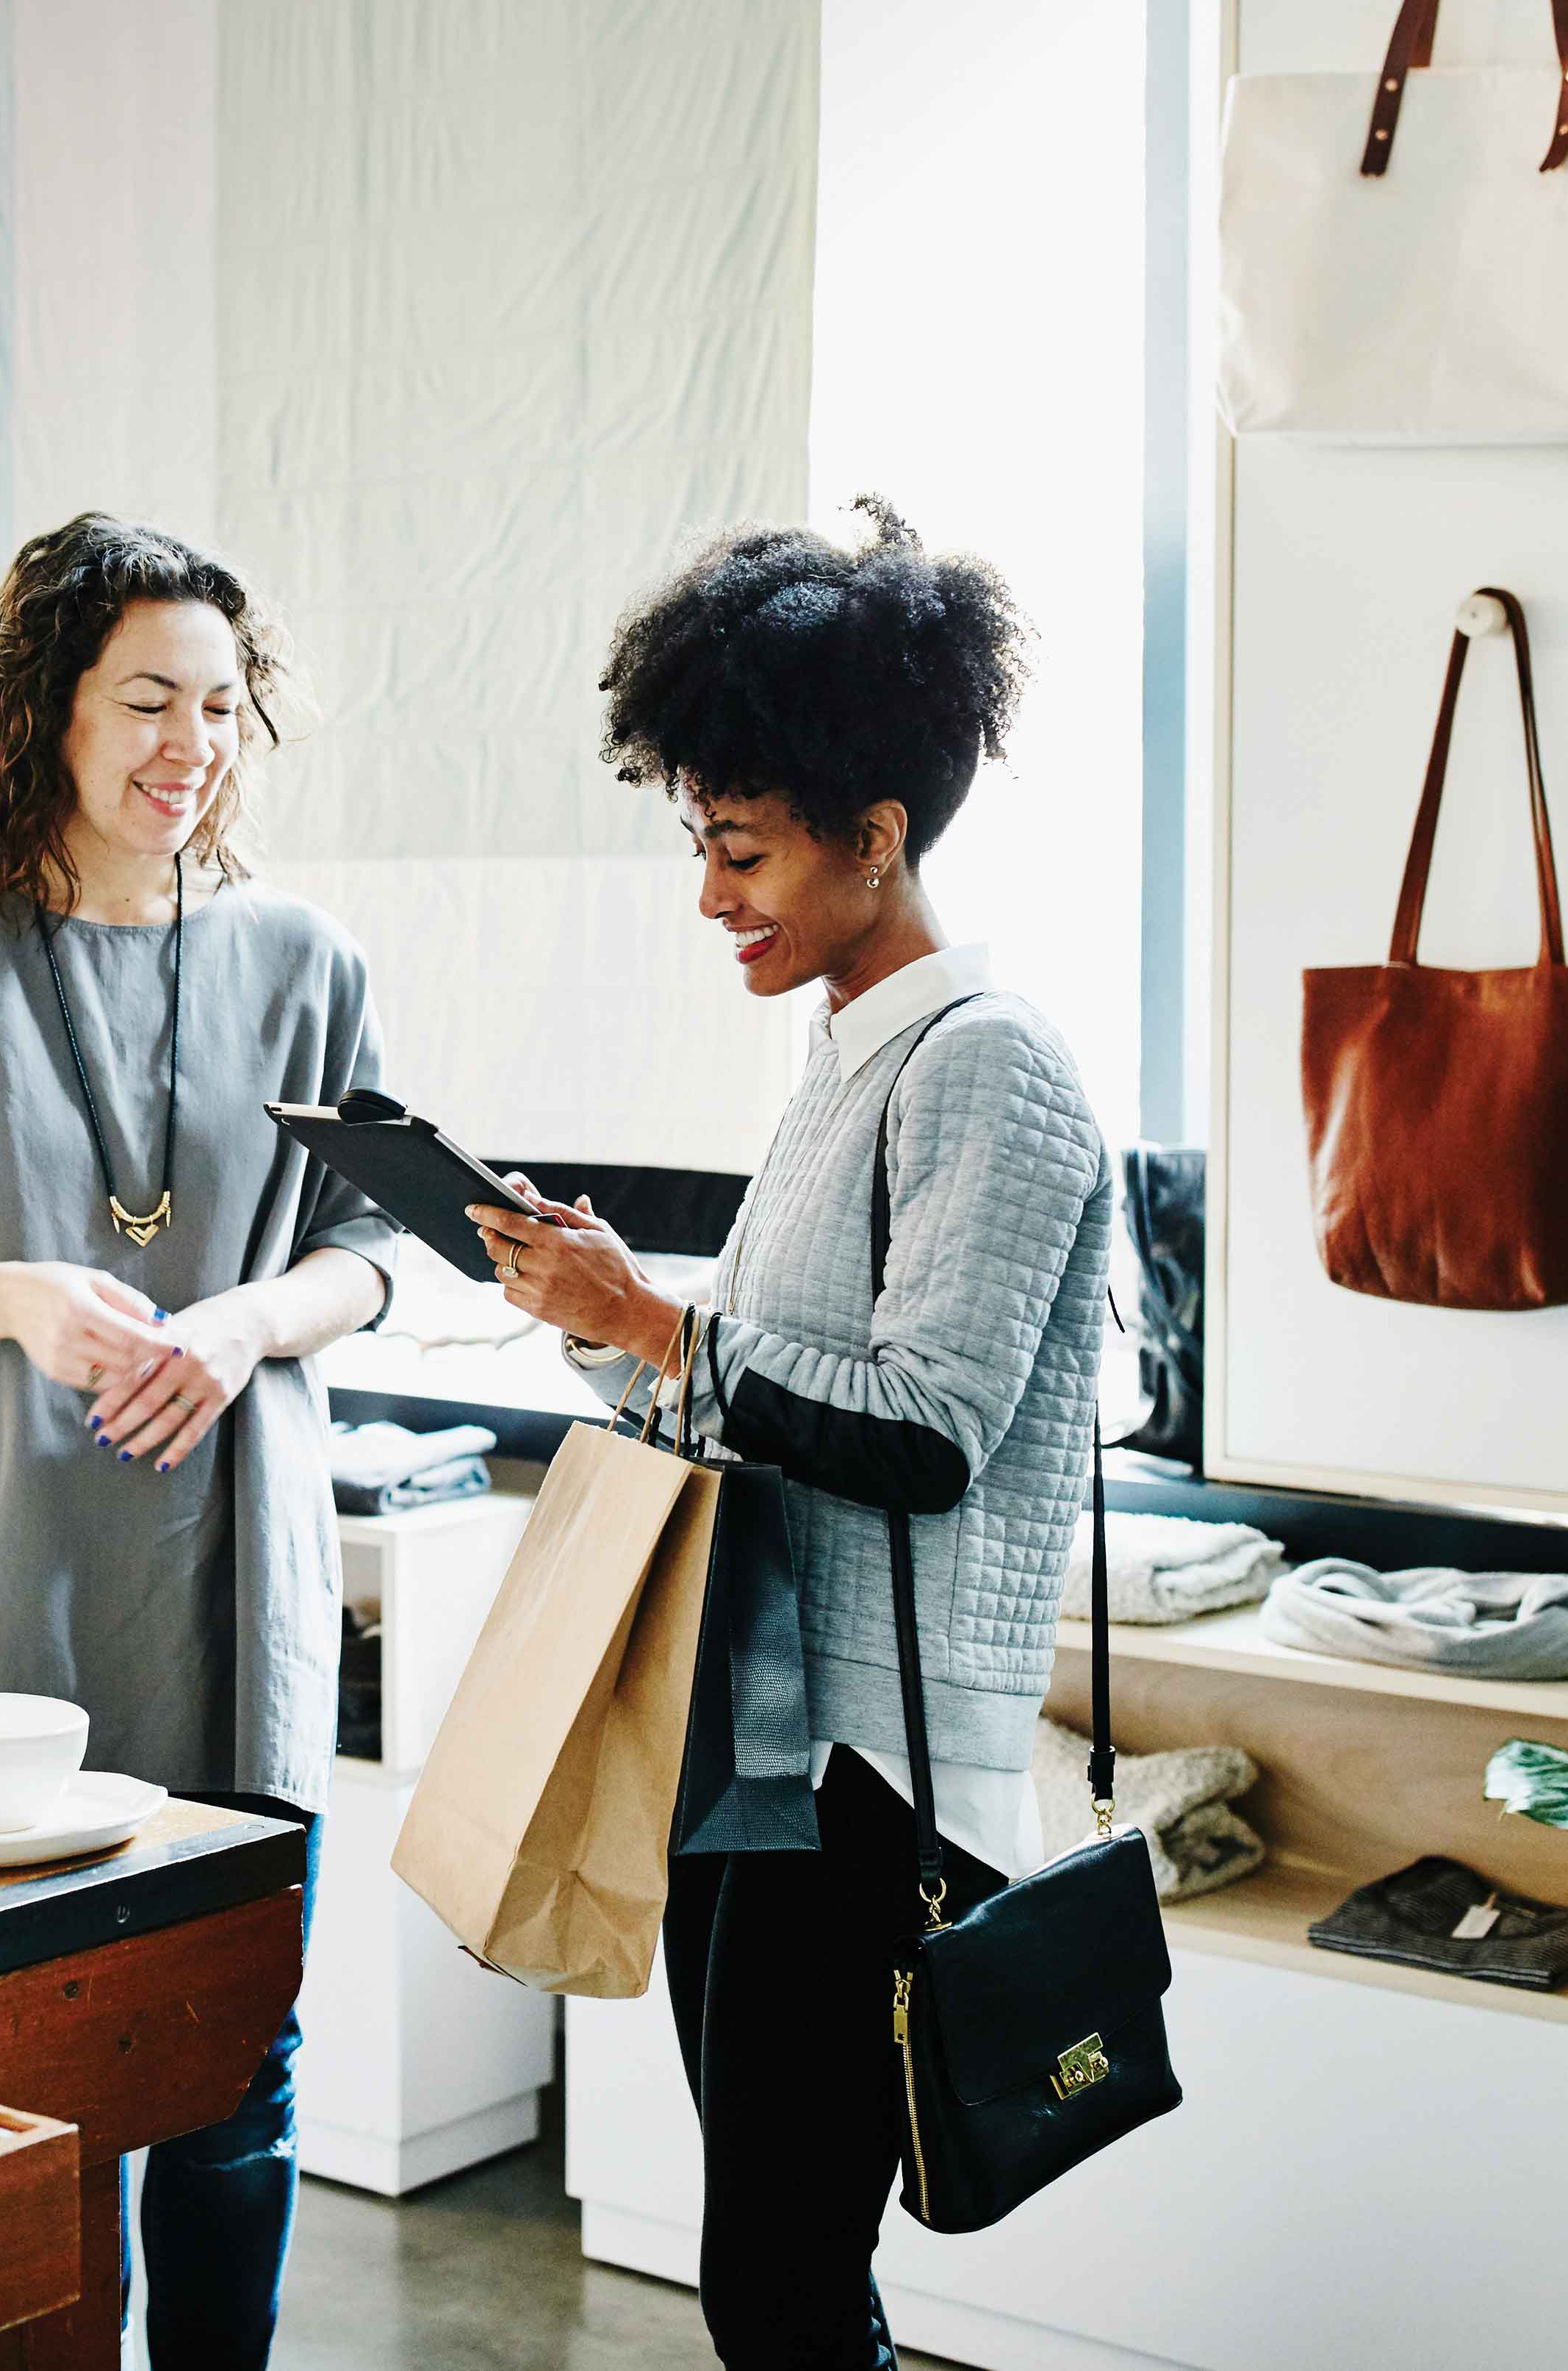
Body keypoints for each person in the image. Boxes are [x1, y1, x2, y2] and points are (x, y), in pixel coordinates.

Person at [470, 498, 1112, 2371]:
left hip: (868, 1775)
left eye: (738, 851)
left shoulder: (983, 1057)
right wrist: (595, 1325)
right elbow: (766, 1395)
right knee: (771, 2272)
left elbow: (926, 1436)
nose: (710, 897)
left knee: (781, 2281)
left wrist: (653, 1320)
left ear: (877, 833)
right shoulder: (848, 1051)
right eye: (699, 847)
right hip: (766, 1743)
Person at [0, 512, 403, 2370]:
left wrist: (240, 1320)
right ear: (45, 708)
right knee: (7, 2084)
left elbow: (375, 1251)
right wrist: (9, 1299)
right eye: (146, 699)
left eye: (219, 705)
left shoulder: (303, 959)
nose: (187, 746)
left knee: (232, 2075)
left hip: (222, 1587)